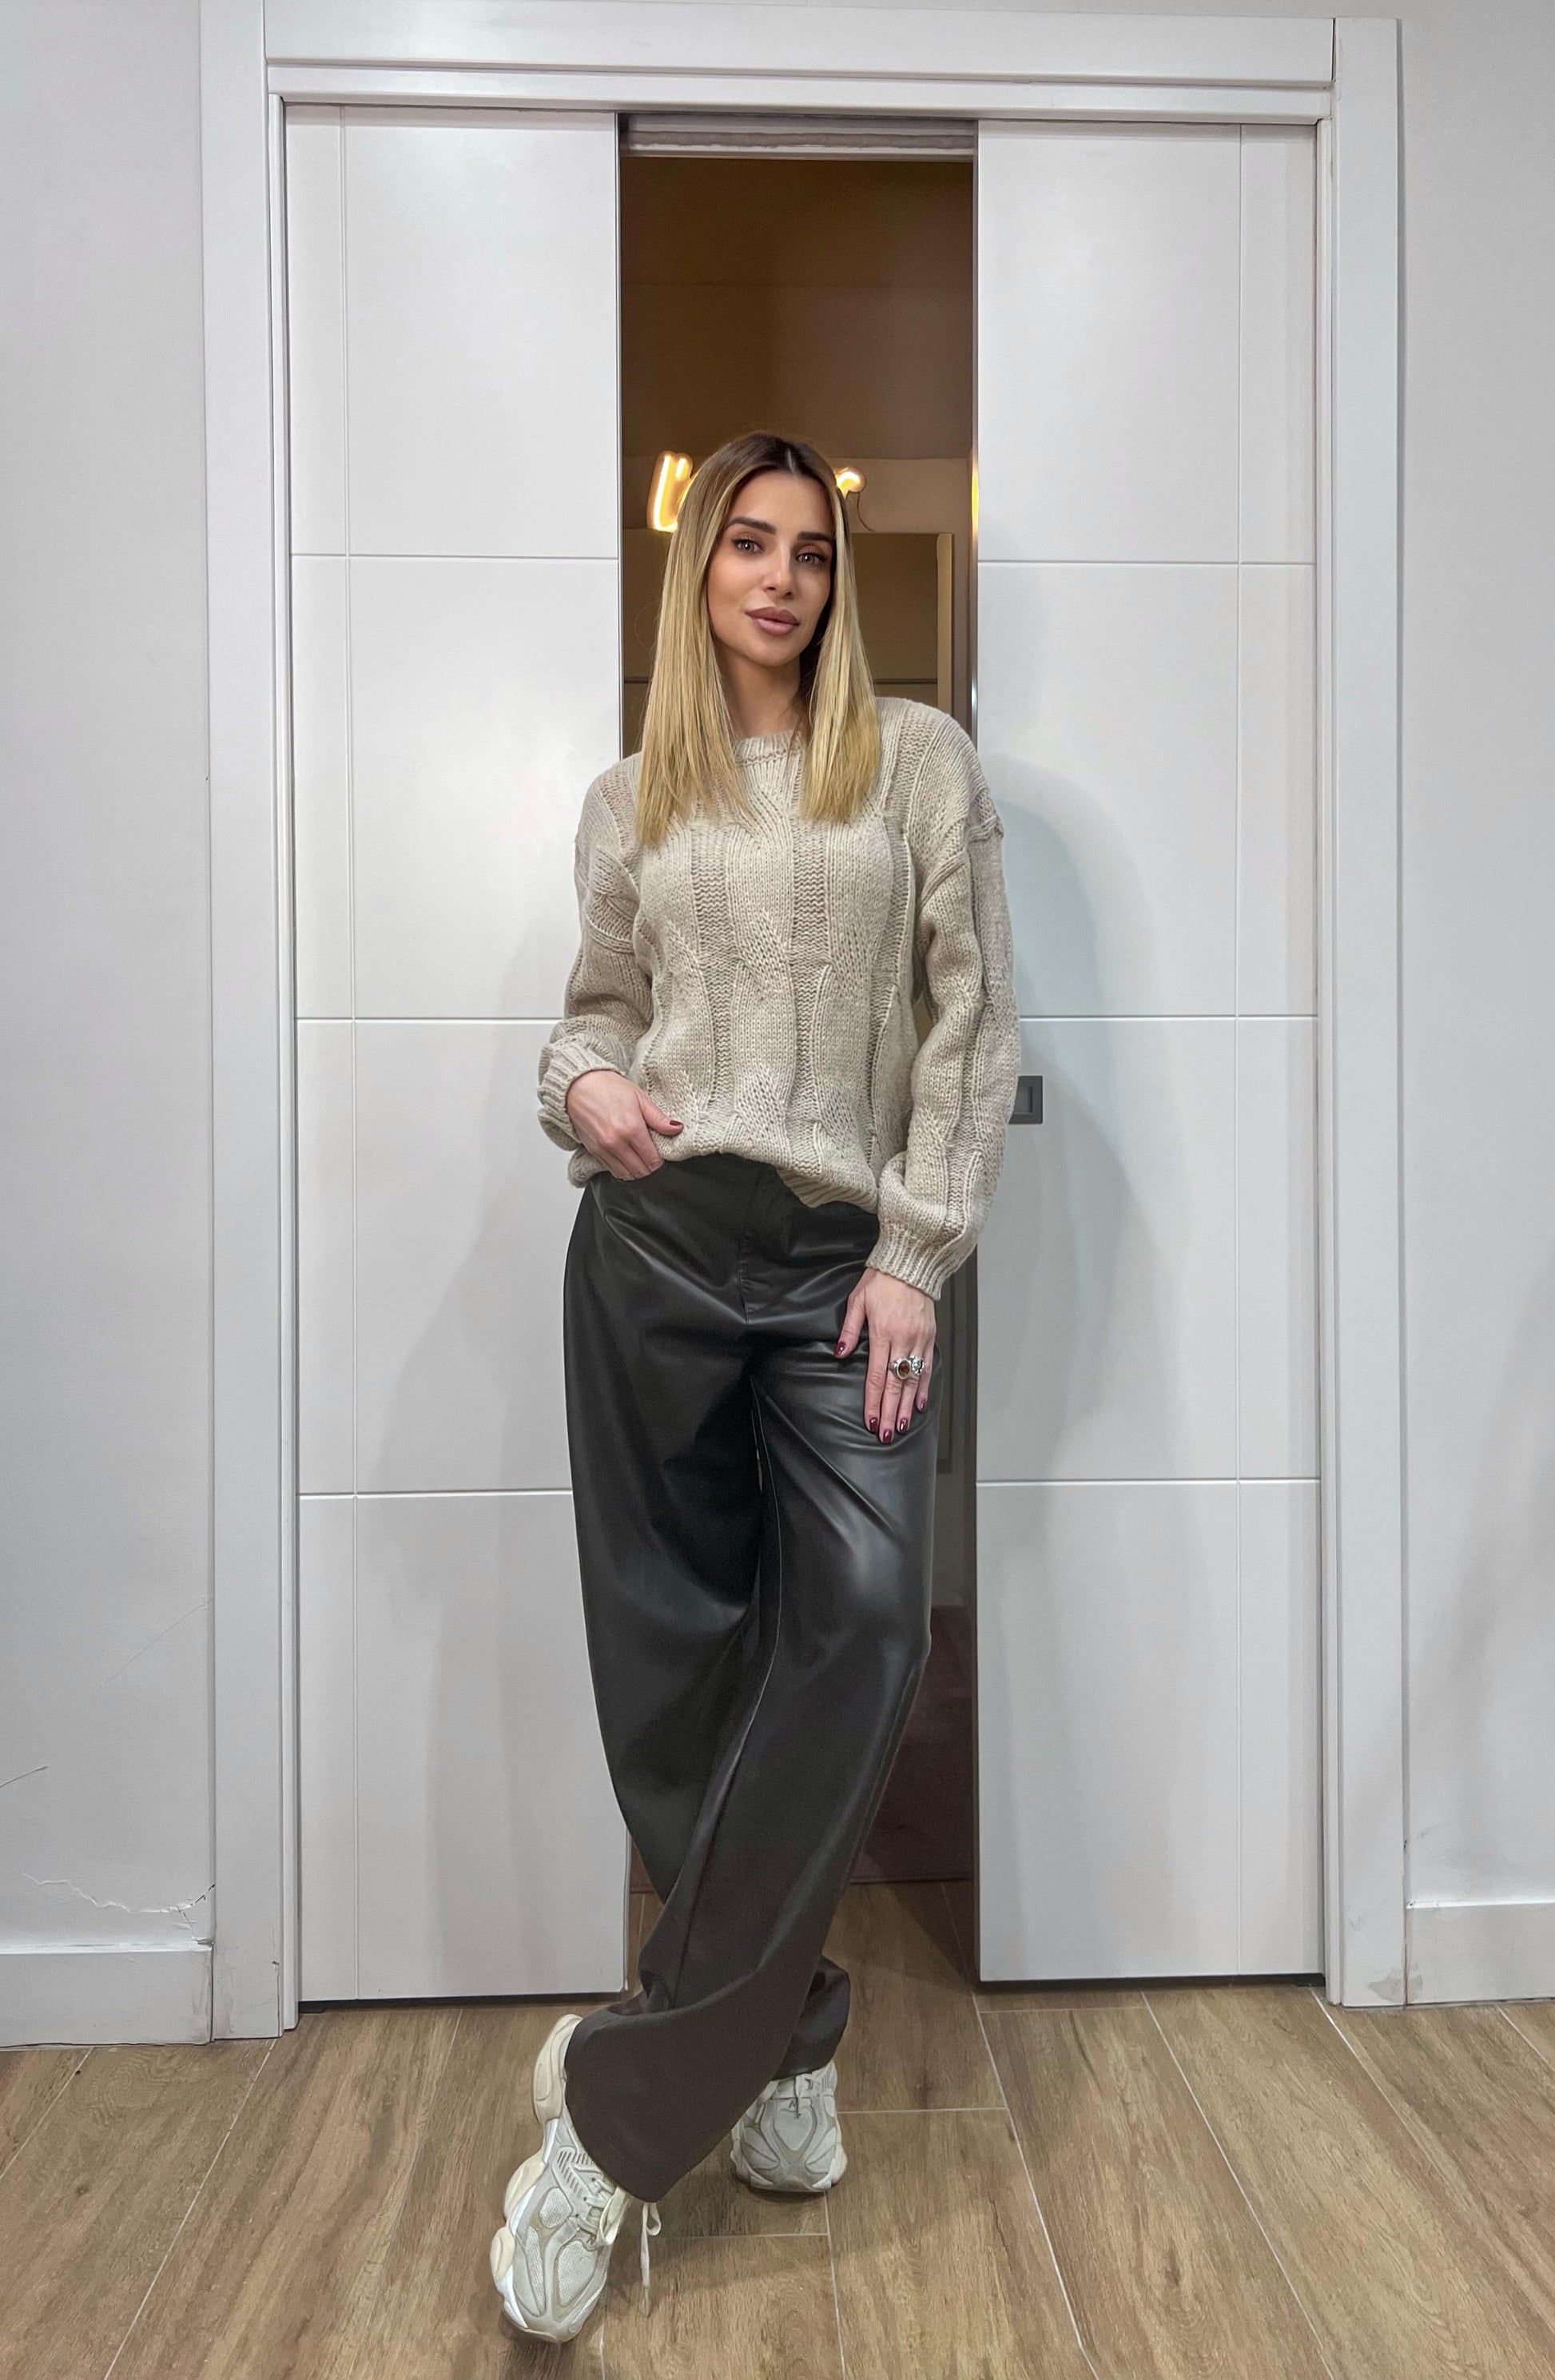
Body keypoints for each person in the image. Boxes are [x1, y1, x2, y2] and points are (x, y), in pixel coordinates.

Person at [489, 428, 1020, 2342]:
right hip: (652, 1249)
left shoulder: (920, 761)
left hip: (833, 1267)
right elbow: (595, 1013)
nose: (781, 578)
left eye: (809, 550)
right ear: (698, 568)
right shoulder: (631, 795)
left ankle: (613, 2121)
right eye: (747, 544)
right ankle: (785, 2041)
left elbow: (971, 1017)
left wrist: (914, 1251)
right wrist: (580, 1085)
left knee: (863, 1625)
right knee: (678, 1670)